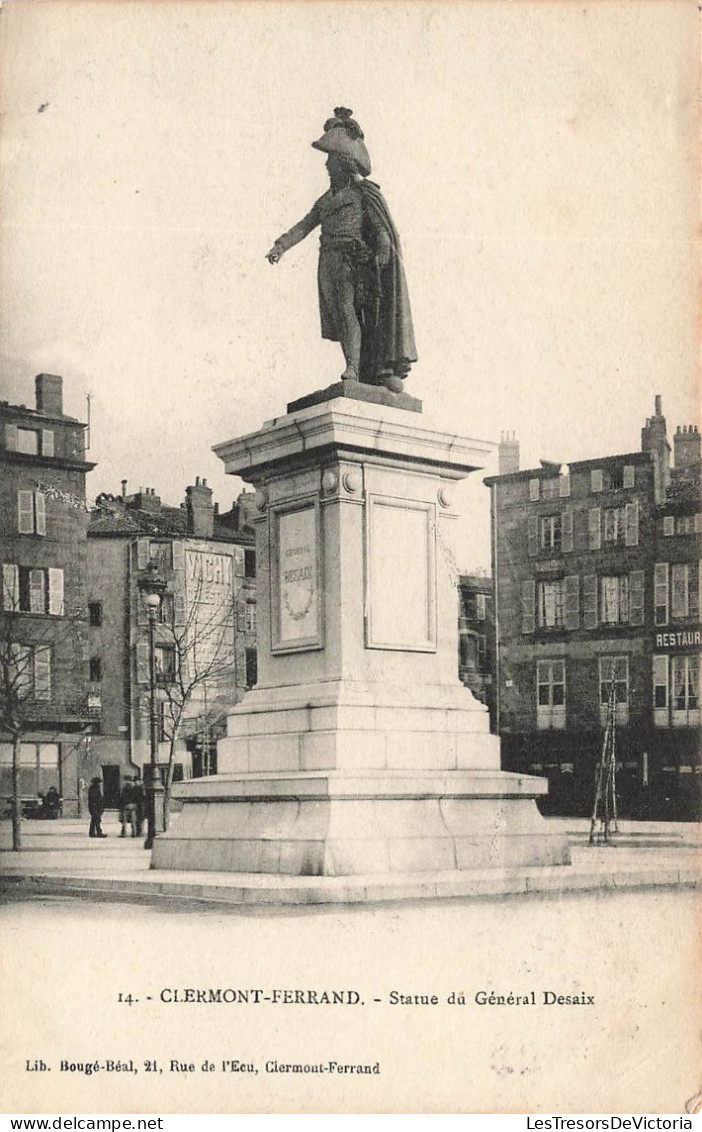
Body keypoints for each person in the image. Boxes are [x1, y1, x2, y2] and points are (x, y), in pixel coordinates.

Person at [266, 108, 417, 391]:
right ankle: (354, 364)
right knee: (338, 314)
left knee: (348, 312)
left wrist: (384, 244)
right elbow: (305, 224)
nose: (326, 165)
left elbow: (379, 224)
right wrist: (281, 245)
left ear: (343, 164)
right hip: (328, 260)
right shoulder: (325, 200)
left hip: (353, 261)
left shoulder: (362, 194)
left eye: (331, 160)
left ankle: (354, 368)